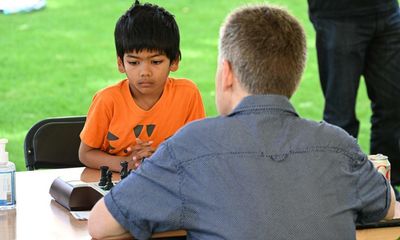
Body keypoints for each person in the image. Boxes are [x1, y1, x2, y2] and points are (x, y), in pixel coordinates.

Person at [88, 4, 399, 240]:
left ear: (227, 73)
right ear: (295, 75)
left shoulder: (188, 147)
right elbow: (388, 208)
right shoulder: (341, 146)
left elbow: (100, 224)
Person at [79, 1, 205, 172]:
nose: (145, 72)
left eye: (156, 61)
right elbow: (86, 154)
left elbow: (197, 149)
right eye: (134, 62)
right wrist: (127, 163)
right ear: (120, 64)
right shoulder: (107, 100)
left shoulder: (188, 94)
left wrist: (161, 158)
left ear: (174, 61)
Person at [307, 0, 400, 197]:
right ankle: (343, 194)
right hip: (338, 16)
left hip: (386, 10)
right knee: (341, 114)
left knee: (393, 106)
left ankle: (385, 189)